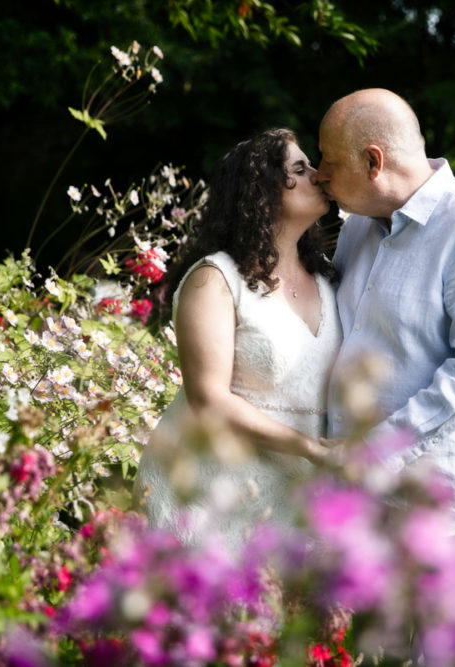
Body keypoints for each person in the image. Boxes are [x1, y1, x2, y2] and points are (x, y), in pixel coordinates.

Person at [317, 89, 455, 547]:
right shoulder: (357, 227)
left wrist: (374, 451)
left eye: (329, 160)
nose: (320, 174)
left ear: (373, 162)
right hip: (368, 509)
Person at [134, 128, 342, 548]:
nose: (318, 175)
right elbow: (209, 400)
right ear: (261, 192)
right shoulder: (215, 279)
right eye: (300, 169)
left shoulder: (328, 276)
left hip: (290, 495)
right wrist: (310, 448)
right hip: (207, 490)